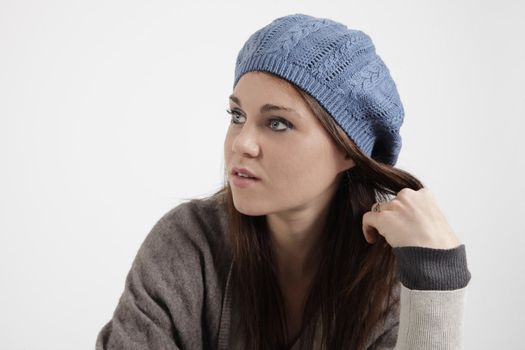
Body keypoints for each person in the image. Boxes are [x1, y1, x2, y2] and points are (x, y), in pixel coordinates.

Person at [96, 13, 471, 350]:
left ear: (347, 149)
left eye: (277, 123)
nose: (241, 143)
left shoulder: (395, 276)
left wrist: (434, 279)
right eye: (237, 114)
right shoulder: (190, 243)